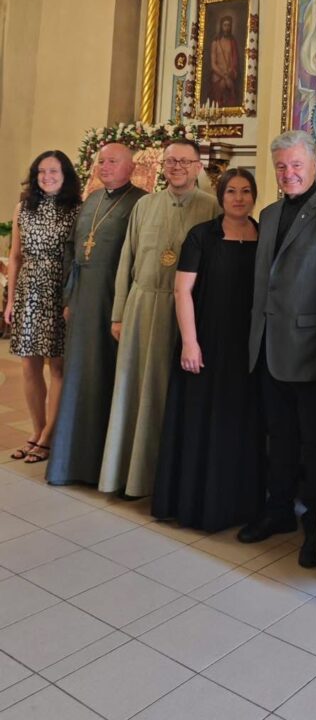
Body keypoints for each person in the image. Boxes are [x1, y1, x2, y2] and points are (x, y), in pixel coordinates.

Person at [239, 131, 316, 566]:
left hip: (312, 352)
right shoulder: (268, 215)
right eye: (282, 167)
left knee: (314, 445)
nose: (288, 173)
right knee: (280, 438)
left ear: (314, 166)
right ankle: (279, 512)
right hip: (268, 347)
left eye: (296, 166)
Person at [99, 139, 219, 497]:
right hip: (141, 306)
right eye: (170, 161)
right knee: (133, 392)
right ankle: (127, 476)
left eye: (185, 161)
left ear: (198, 167)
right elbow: (127, 259)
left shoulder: (212, 208)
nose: (177, 167)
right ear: (162, 166)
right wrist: (118, 314)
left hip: (183, 313)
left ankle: (162, 481)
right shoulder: (145, 205)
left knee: (169, 394)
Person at [152, 168, 263, 531]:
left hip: (246, 346)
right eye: (231, 191)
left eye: (246, 191)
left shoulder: (264, 235)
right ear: (220, 196)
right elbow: (182, 291)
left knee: (238, 424)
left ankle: (236, 506)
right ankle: (196, 506)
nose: (239, 198)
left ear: (254, 196)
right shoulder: (202, 236)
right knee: (201, 422)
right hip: (205, 342)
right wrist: (190, 342)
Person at [47, 143, 146, 485]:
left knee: (105, 377)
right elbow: (72, 250)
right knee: (76, 376)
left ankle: (100, 469)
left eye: (113, 161)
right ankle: (67, 463)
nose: (105, 166)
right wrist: (68, 296)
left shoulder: (140, 203)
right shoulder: (91, 200)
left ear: (131, 167)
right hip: (81, 302)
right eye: (101, 161)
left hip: (112, 305)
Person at [4, 150, 81, 463]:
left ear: (65, 176)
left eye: (54, 171)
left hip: (59, 291)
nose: (47, 177)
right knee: (29, 365)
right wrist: (11, 299)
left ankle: (49, 436)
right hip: (28, 291)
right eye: (41, 172)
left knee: (57, 365)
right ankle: (36, 431)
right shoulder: (23, 207)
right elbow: (15, 257)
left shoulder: (76, 209)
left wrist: (72, 299)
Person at [209, 16, 240, 107]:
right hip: (217, 78)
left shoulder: (233, 42)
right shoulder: (215, 43)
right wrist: (224, 77)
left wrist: (229, 75)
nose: (227, 28)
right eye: (225, 25)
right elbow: (213, 64)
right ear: (221, 26)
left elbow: (234, 62)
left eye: (228, 25)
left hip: (230, 76)